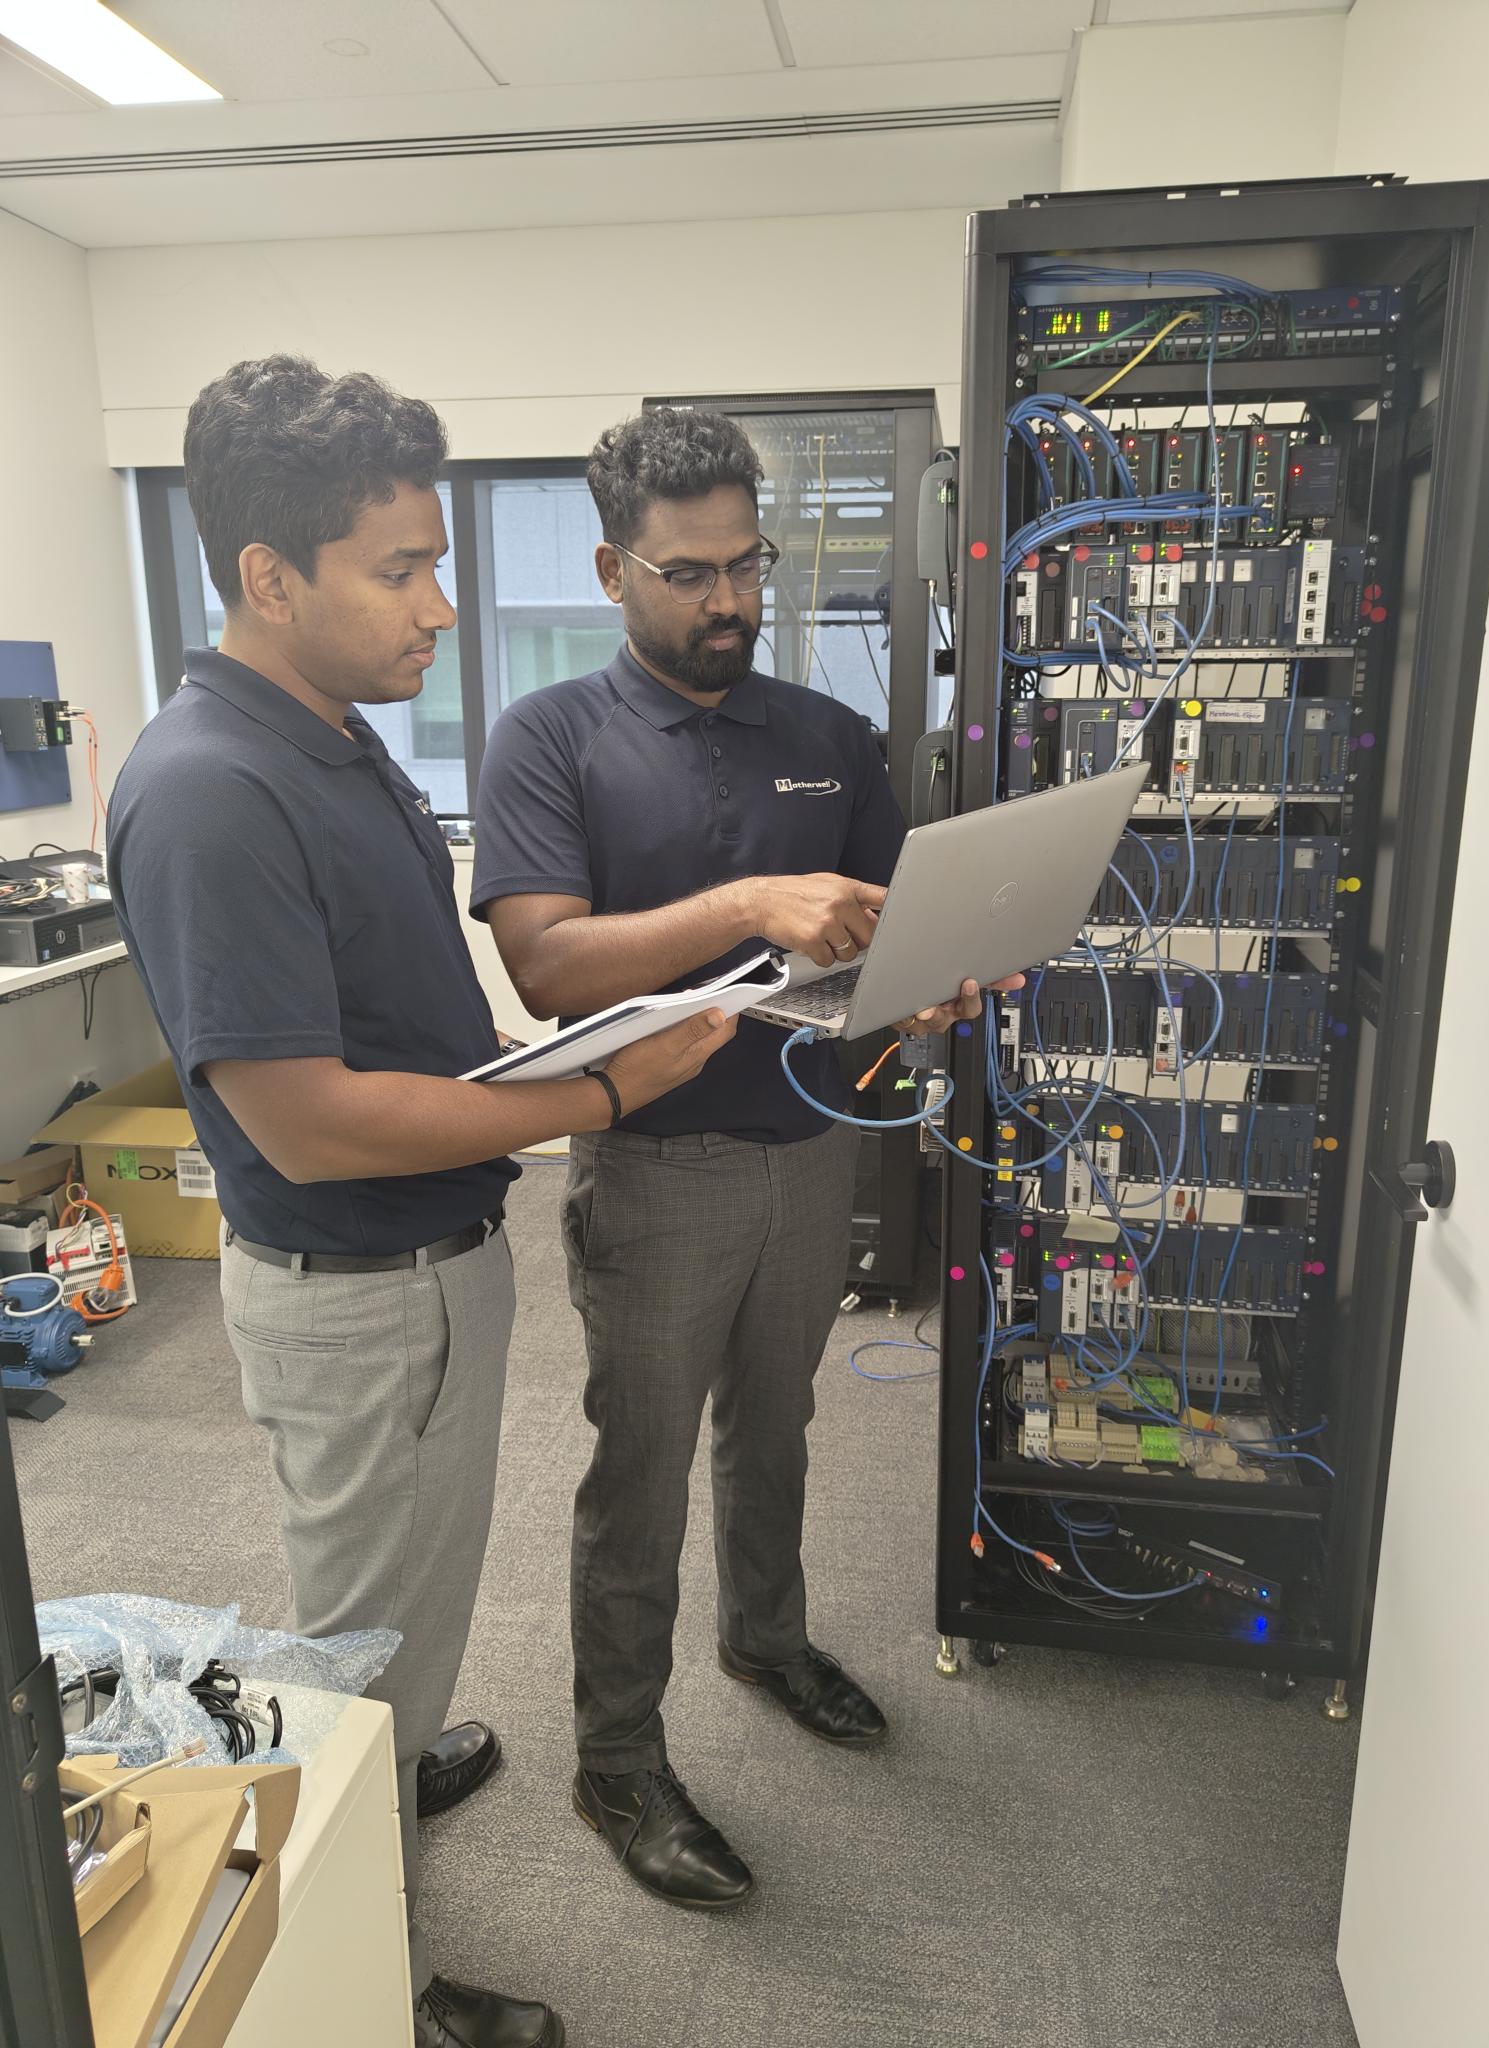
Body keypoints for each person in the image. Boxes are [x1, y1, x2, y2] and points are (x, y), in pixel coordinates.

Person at [107, 359, 735, 2047]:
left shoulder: (329, 737)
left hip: (426, 1266)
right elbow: (309, 1122)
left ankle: (393, 1742)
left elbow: (394, 1021)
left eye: (439, 565)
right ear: (269, 577)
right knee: (359, 1642)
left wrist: (561, 1047)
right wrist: (602, 1094)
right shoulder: (210, 788)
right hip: (359, 1290)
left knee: (410, 1602)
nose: (442, 609)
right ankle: (365, 1977)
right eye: (400, 571)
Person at [472, 408, 1004, 1910]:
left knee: (776, 1430)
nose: (730, 600)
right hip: (655, 1170)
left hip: (811, 1149)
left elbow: (888, 926)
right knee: (638, 1476)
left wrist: (933, 974)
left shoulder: (828, 737)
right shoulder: (551, 737)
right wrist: (751, 901)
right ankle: (617, 1760)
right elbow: (547, 967)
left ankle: (765, 1640)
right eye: (690, 572)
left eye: (748, 564)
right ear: (613, 571)